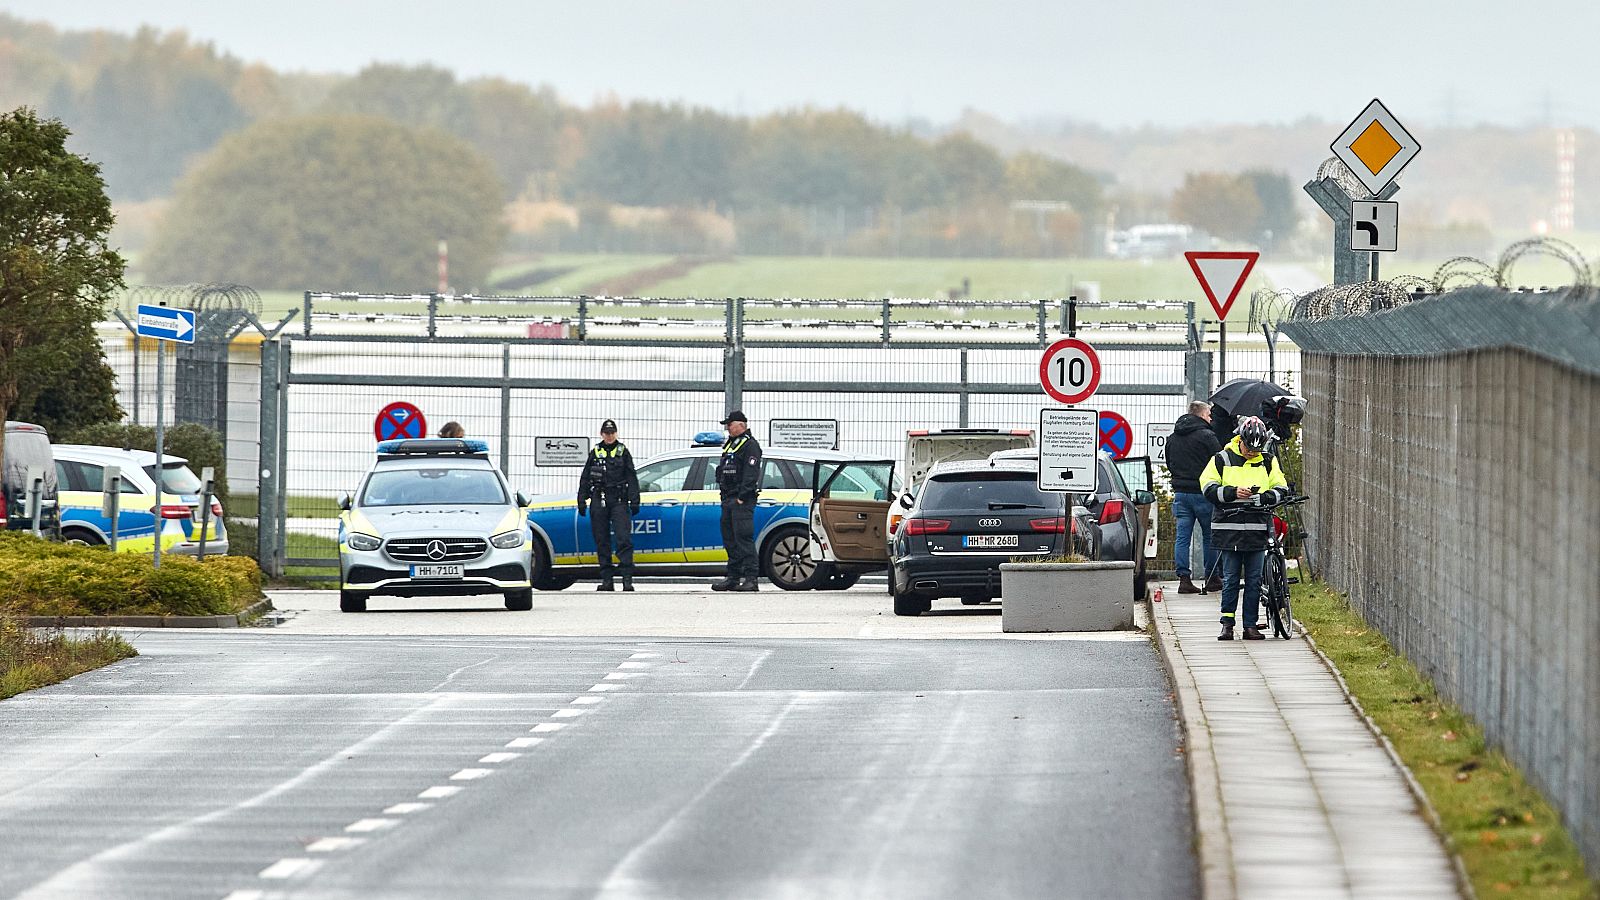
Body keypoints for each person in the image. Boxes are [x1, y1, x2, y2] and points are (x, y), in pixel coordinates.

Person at [1201, 416, 1289, 641]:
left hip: (1257, 528)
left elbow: (1281, 487)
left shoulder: (1268, 461)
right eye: (1249, 448)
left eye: (1256, 450)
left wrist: (1265, 497)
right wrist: (1232, 492)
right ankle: (1227, 624)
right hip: (1229, 529)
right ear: (1241, 440)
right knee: (1230, 579)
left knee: (1254, 580)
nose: (1252, 453)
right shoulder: (1221, 459)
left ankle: (1250, 626)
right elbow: (1208, 487)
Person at [1166, 400, 1223, 595]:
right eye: (1208, 414)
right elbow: (1220, 462)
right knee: (1210, 536)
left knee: (1182, 537)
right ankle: (1212, 577)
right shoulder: (1207, 436)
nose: (1211, 418)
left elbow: (1170, 463)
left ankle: (1184, 579)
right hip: (1204, 493)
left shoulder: (1173, 437)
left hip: (1181, 493)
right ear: (1200, 415)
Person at [577, 419, 640, 592]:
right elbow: (585, 477)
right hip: (599, 498)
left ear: (616, 433)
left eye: (612, 433)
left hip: (619, 499)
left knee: (623, 539)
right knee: (601, 539)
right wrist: (581, 500)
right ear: (601, 434)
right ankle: (607, 580)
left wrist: (635, 500)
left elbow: (632, 477)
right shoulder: (595, 452)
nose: (609, 436)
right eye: (606, 433)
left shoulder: (623, 451)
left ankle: (627, 579)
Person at [710, 410, 762, 592]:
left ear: (741, 425)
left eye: (730, 424)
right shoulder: (731, 444)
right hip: (728, 498)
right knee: (729, 539)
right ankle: (732, 577)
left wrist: (742, 497)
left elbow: (751, 473)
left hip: (742, 500)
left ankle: (751, 579)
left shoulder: (750, 445)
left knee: (743, 538)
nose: (728, 428)